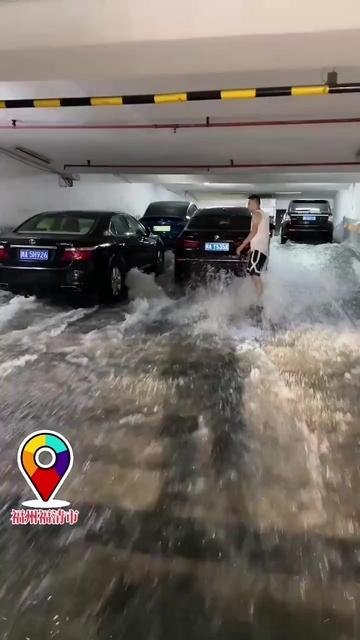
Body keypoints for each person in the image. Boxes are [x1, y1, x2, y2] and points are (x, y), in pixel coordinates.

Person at [236, 194, 269, 301]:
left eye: (249, 203)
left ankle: (260, 302)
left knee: (255, 274)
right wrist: (252, 247)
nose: (248, 206)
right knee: (252, 273)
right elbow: (261, 233)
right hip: (260, 250)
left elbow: (254, 232)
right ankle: (258, 298)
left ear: (255, 203)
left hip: (259, 250)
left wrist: (241, 246)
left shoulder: (256, 214)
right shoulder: (263, 214)